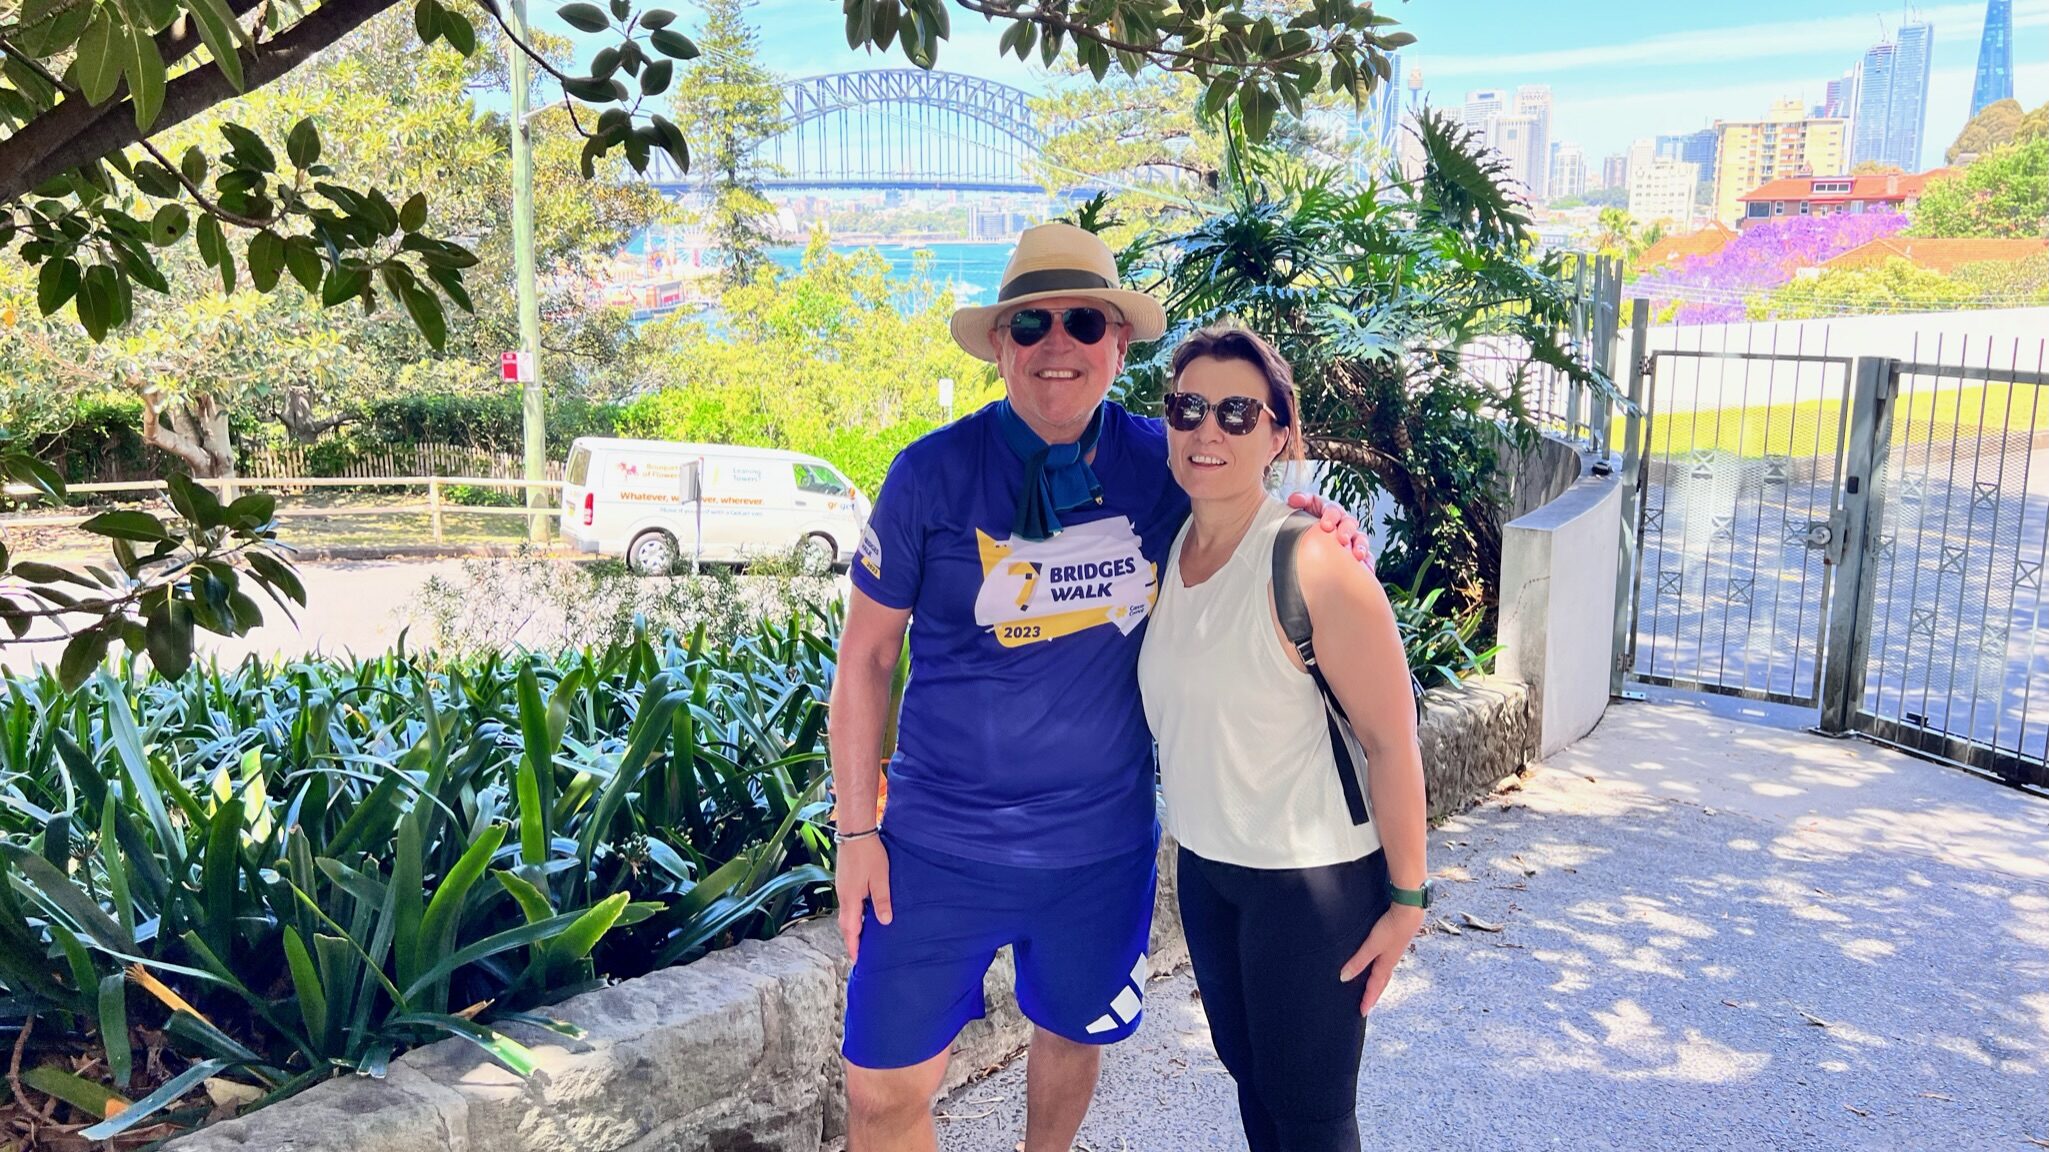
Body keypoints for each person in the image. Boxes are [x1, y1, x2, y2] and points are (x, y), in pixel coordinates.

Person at [828, 223, 1369, 1152]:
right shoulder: (928, 474)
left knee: (1072, 1042)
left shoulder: (1159, 465)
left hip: (1098, 849)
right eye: (1029, 324)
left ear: (1119, 344)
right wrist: (855, 828)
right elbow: (867, 658)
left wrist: (1321, 520)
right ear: (999, 342)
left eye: (1083, 322)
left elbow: (1245, 504)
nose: (1056, 346)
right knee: (879, 1094)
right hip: (934, 846)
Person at [1137, 325, 1430, 1152]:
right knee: (1253, 1086)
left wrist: (1407, 900)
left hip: (1310, 886)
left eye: (1236, 413)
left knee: (1310, 1117)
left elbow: (1390, 742)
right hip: (1208, 870)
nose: (1207, 431)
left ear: (1277, 432)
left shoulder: (1312, 561)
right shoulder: (1168, 546)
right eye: (1188, 408)